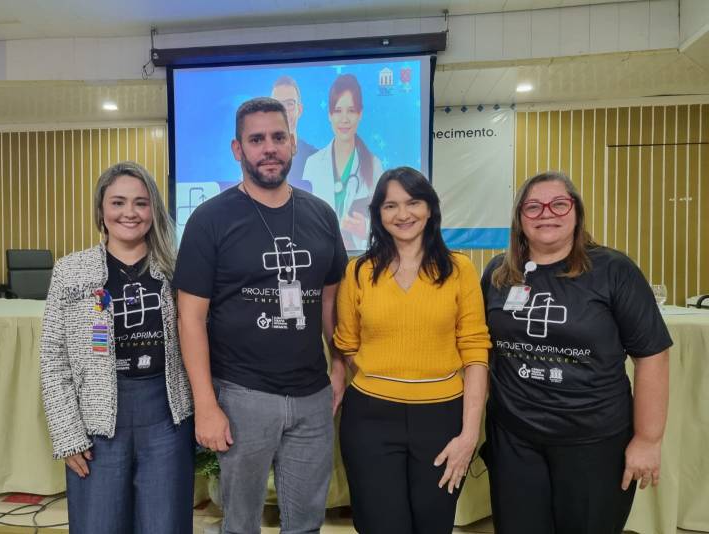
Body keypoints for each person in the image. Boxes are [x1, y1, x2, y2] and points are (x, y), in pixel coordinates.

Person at [175, 97, 348, 534]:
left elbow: (330, 302)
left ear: (292, 143)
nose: (268, 148)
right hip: (241, 396)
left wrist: (341, 364)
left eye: (277, 137)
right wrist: (206, 405)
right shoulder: (209, 219)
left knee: (307, 523)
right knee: (241, 524)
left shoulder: (322, 215)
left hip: (311, 398)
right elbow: (190, 319)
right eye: (256, 139)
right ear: (238, 149)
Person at [480, 171, 671, 534]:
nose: (546, 214)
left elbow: (652, 355)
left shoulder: (614, 271)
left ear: (577, 212)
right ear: (519, 218)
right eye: (533, 207)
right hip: (514, 440)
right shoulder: (499, 274)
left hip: (594, 442)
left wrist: (648, 439)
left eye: (559, 204)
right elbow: (481, 349)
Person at [39, 161, 194, 534]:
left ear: (154, 210)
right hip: (96, 424)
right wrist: (67, 435)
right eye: (118, 202)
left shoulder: (177, 270)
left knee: (165, 525)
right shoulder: (70, 271)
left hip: (166, 419)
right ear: (101, 210)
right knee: (99, 524)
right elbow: (52, 357)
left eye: (141, 203)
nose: (130, 213)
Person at [334, 166, 491, 534]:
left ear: (430, 208)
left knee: (432, 525)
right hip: (370, 418)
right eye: (390, 206)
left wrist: (469, 436)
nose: (402, 214)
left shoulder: (460, 271)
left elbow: (475, 353)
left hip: (442, 418)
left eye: (413, 202)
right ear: (378, 214)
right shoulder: (357, 272)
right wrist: (384, 376)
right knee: (380, 525)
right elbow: (347, 344)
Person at [304, 73, 383, 250]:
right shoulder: (313, 164)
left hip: (360, 258)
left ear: (360, 114)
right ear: (329, 115)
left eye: (351, 110)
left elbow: (385, 222)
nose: (345, 119)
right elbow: (302, 220)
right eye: (338, 111)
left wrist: (366, 229)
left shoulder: (374, 165)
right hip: (321, 259)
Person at [271, 75, 317, 191]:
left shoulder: (316, 159)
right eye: (278, 105)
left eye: (290, 104)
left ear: (299, 110)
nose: (284, 111)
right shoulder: (258, 158)